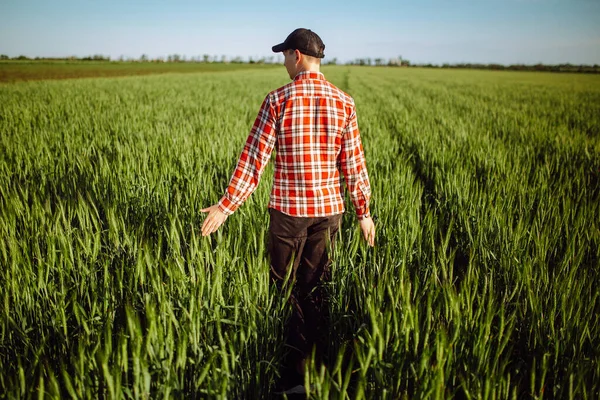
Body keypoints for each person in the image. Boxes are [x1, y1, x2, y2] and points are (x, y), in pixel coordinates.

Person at [200, 28, 375, 392]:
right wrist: (363, 213)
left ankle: (292, 377)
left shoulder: (278, 99)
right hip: (329, 213)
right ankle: (318, 370)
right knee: (317, 289)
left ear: (296, 55)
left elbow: (253, 161)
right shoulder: (345, 102)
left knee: (284, 291)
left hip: (289, 215)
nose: (283, 63)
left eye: (284, 56)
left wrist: (225, 206)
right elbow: (354, 166)